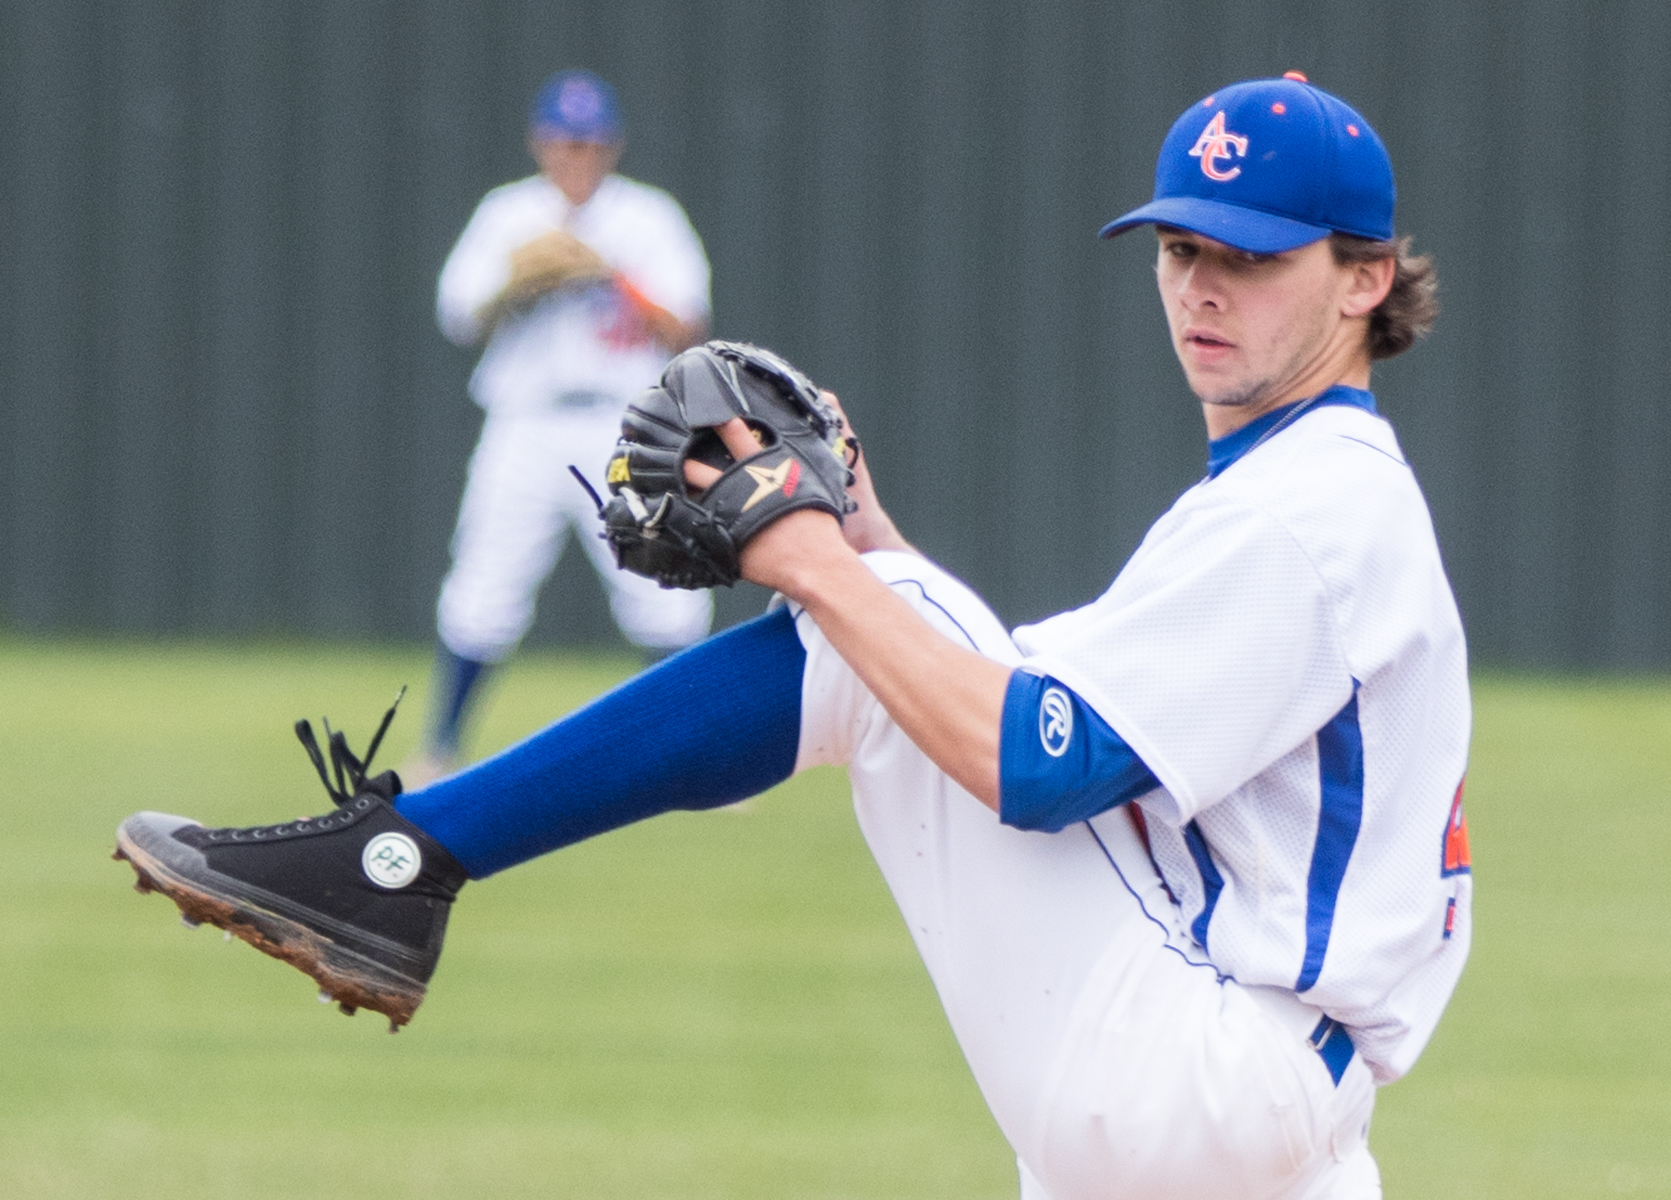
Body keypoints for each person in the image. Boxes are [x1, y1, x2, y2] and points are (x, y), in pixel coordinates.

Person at [117, 73, 1470, 1200]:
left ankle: (402, 860)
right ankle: (402, 862)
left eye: (1252, 256)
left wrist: (812, 558)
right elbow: (1032, 698)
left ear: (1361, 283)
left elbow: (1038, 766)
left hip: (1201, 1071)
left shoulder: (1305, 517)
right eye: (1183, 249)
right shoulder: (1312, 494)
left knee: (864, 646)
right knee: (895, 625)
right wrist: (870, 546)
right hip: (1268, 1116)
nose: (1201, 287)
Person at [416, 68, 716, 781]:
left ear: (610, 145)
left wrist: (611, 275)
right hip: (524, 424)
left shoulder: (647, 218)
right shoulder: (507, 214)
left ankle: (702, 762)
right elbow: (460, 316)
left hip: (624, 428)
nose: (574, 156)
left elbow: (687, 328)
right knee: (484, 588)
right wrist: (518, 283)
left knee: (663, 593)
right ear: (539, 142)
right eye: (562, 141)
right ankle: (440, 748)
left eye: (587, 142)